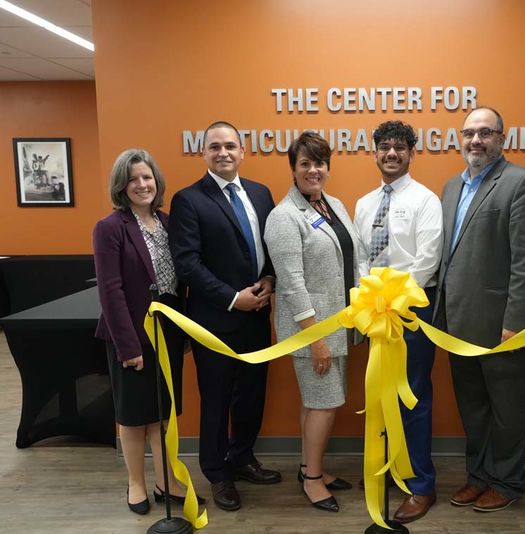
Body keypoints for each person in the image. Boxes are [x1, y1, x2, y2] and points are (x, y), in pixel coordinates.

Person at [434, 106, 525, 512]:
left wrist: (516, 323)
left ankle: (507, 480)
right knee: (474, 407)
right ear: (459, 138)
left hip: (506, 326)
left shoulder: (522, 183)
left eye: (485, 133)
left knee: (509, 410)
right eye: (468, 133)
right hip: (459, 323)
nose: (475, 141)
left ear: (503, 138)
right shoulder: (452, 187)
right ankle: (479, 476)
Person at [169, 121, 280, 512]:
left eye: (230, 145)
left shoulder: (261, 194)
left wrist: (270, 279)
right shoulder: (188, 200)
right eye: (214, 146)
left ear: (242, 150)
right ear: (204, 153)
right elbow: (188, 264)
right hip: (213, 321)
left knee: (251, 396)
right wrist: (233, 299)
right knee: (215, 400)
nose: (223, 153)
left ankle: (242, 458)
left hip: (257, 317)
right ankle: (217, 474)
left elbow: (272, 247)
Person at [93, 148, 197, 514]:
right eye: (133, 179)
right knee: (135, 415)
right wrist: (128, 345)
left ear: (157, 181)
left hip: (168, 331)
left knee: (163, 412)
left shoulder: (169, 222)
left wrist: (183, 334)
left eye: (147, 177)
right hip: (132, 336)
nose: (142, 184)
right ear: (122, 185)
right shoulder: (109, 228)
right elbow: (110, 290)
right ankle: (136, 483)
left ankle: (164, 479)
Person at [353, 120, 442, 523]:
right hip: (374, 313)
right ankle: (392, 469)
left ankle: (421, 484)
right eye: (384, 147)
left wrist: (396, 303)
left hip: (410, 313)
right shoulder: (364, 202)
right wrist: (370, 300)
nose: (391, 153)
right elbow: (359, 256)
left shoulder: (426, 200)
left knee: (413, 396)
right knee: (380, 396)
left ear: (411, 153)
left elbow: (427, 260)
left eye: (399, 147)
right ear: (374, 152)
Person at [264, 132, 358, 512]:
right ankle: (314, 480)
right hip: (313, 329)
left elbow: (352, 257)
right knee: (324, 403)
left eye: (319, 162)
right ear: (293, 169)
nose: (313, 170)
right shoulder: (283, 217)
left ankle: (309, 467)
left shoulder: (333, 205)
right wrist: (316, 338)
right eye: (305, 163)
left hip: (341, 324)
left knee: (317, 402)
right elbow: (291, 284)